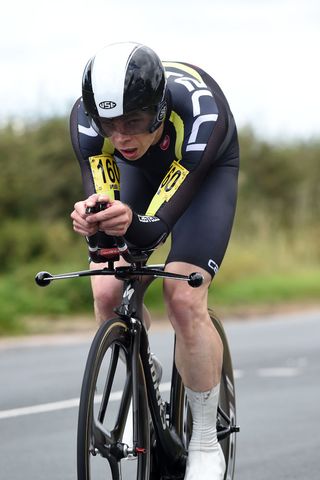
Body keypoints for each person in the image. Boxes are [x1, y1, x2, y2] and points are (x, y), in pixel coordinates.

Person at [70, 41, 239, 480]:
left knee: (182, 297)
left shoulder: (202, 117)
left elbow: (155, 227)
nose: (122, 136)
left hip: (200, 170)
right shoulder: (89, 124)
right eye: (109, 124)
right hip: (140, 173)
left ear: (159, 110)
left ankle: (203, 437)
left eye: (135, 121)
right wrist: (96, 220)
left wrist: (132, 223)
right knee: (108, 290)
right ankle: (141, 365)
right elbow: (107, 206)